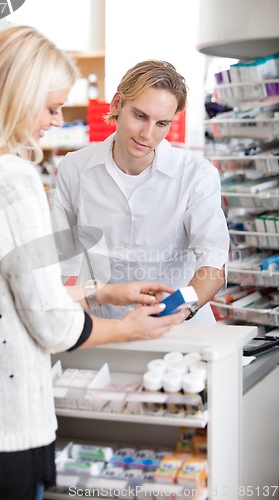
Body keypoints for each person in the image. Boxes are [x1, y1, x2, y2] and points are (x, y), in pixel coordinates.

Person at [0, 28, 185, 500]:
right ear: (17, 97)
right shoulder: (12, 177)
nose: (57, 121)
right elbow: (52, 325)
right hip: (4, 432)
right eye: (52, 107)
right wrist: (129, 328)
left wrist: (101, 292)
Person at [53, 59, 230, 323]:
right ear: (117, 105)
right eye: (140, 116)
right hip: (105, 325)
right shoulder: (74, 168)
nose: (147, 133)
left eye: (162, 124)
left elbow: (213, 264)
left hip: (177, 324)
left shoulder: (196, 174)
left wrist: (180, 310)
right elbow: (61, 261)